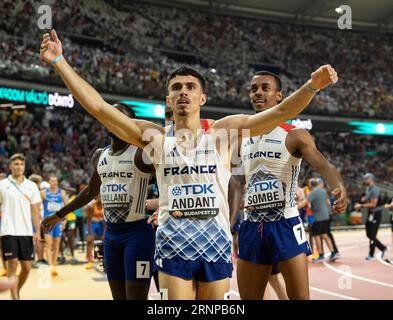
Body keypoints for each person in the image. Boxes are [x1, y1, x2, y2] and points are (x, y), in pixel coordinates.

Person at [40, 29, 338, 300]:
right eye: (177, 87)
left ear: (202, 97)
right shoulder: (153, 137)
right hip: (172, 245)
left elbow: (282, 110)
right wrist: (60, 62)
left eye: (191, 87)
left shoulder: (224, 132)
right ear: (168, 100)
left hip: (215, 244)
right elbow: (99, 107)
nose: (184, 91)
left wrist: (312, 86)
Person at [233, 71, 347, 300]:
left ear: (279, 96)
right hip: (251, 225)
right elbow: (237, 183)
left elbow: (323, 165)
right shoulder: (241, 137)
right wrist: (229, 222)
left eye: (265, 88)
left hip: (285, 224)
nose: (258, 93)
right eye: (254, 89)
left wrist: (339, 187)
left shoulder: (295, 135)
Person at [41, 103, 156, 300]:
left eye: (118, 116)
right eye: (109, 115)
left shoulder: (141, 154)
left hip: (138, 235)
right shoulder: (99, 155)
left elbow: (168, 179)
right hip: (111, 235)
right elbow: (90, 192)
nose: (112, 118)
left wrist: (160, 205)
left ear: (129, 123)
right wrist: (59, 215)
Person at [0, 153, 41, 299]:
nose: (19, 167)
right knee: (12, 267)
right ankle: (15, 298)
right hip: (8, 230)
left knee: (27, 268)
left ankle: (16, 291)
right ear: (10, 166)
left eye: (21, 164)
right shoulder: (2, 185)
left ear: (25, 167)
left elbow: (35, 211)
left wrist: (37, 231)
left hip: (26, 231)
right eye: (16, 164)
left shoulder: (31, 186)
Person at [298, 178, 337, 263]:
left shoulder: (313, 193)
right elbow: (328, 203)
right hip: (326, 216)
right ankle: (333, 252)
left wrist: (293, 207)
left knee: (316, 236)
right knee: (325, 234)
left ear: (310, 185)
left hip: (318, 218)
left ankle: (321, 255)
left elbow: (304, 203)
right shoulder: (323, 191)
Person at [354, 173, 388, 260]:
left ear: (370, 179)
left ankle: (371, 254)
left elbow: (373, 204)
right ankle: (382, 247)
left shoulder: (375, 189)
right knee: (369, 234)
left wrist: (361, 205)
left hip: (376, 214)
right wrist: (362, 201)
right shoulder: (368, 188)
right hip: (370, 214)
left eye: (366, 179)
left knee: (372, 235)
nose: (364, 181)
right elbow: (366, 199)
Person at [41, 175, 67, 276]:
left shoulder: (62, 193)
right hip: (48, 222)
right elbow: (37, 204)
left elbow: (66, 208)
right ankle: (50, 265)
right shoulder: (43, 193)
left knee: (56, 244)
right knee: (48, 243)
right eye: (52, 181)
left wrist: (65, 221)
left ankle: (53, 265)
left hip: (58, 222)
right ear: (49, 182)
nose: (54, 183)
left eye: (55, 181)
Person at [28, 174, 48, 268]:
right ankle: (32, 260)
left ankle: (40, 259)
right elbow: (33, 207)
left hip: (40, 219)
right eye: (38, 182)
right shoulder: (30, 192)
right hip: (33, 220)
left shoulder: (37, 192)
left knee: (40, 240)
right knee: (34, 240)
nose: (39, 184)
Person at [85, 196, 105, 270]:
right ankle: (89, 259)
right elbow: (89, 220)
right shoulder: (92, 206)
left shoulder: (105, 206)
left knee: (103, 239)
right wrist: (90, 233)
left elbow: (105, 221)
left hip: (101, 223)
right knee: (90, 240)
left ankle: (100, 258)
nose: (100, 198)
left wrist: (104, 233)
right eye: (99, 197)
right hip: (92, 223)